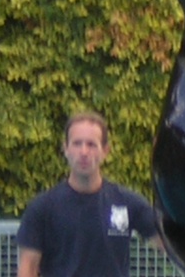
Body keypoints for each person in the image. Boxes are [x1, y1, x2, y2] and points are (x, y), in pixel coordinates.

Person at [17, 111, 157, 277]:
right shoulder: (42, 208)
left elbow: (170, 243)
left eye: (91, 144)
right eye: (77, 143)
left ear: (105, 151)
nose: (84, 152)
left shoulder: (127, 203)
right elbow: (28, 270)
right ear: (65, 149)